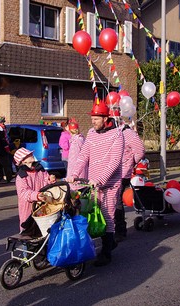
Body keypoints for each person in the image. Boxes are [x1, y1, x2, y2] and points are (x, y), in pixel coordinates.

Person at [67, 101, 124, 266]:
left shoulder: (117, 135)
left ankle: (106, 253)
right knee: (92, 214)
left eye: (96, 119)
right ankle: (109, 241)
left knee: (107, 216)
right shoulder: (91, 133)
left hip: (109, 184)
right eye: (92, 118)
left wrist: (100, 179)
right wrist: (74, 174)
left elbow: (114, 162)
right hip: (92, 185)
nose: (93, 121)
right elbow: (83, 155)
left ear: (106, 118)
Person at [114, 118, 145, 242]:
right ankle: (113, 228)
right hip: (111, 172)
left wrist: (130, 162)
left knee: (116, 201)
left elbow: (140, 151)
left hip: (122, 173)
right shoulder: (112, 132)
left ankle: (120, 230)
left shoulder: (128, 133)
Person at [14, 148, 56, 231]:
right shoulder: (21, 176)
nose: (31, 156)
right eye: (28, 155)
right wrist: (36, 195)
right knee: (29, 231)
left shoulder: (40, 170)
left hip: (43, 205)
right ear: (23, 161)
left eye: (30, 155)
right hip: (28, 208)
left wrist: (50, 180)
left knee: (43, 228)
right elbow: (23, 193)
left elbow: (46, 182)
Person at [66, 118, 87, 187]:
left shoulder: (77, 140)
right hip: (74, 166)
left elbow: (79, 155)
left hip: (77, 167)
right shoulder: (76, 139)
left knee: (77, 187)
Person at [0, 116, 14, 183]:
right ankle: (9, 178)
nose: (4, 124)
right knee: (6, 164)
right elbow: (2, 140)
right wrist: (6, 148)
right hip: (2, 150)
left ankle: (0, 178)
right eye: (3, 122)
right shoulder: (0, 129)